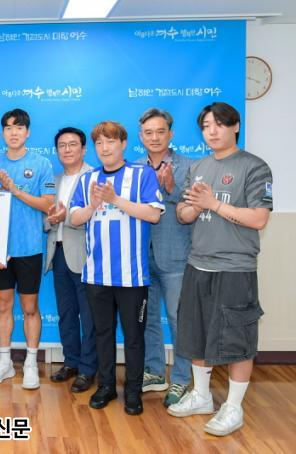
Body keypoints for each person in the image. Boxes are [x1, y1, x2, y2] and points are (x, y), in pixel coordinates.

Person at [168, 102, 273, 437]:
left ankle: (234, 407)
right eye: (206, 126)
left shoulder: (254, 167)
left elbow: (259, 219)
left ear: (235, 126)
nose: (212, 131)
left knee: (237, 339)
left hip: (235, 268)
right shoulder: (198, 167)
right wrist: (193, 208)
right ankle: (201, 396)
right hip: (198, 263)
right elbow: (183, 214)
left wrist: (213, 203)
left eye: (219, 124)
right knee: (195, 333)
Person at [69, 121, 164, 415]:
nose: (104, 148)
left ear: (123, 144)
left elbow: (153, 214)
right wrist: (94, 205)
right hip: (96, 274)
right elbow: (75, 218)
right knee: (102, 334)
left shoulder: (142, 174)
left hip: (132, 276)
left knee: (134, 338)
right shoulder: (87, 179)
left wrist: (115, 200)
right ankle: (106, 386)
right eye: (99, 143)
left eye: (110, 141)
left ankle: (133, 391)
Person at [0, 108, 55, 390]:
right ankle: (4, 362)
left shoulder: (41, 164)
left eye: (19, 127)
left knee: (29, 308)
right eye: (9, 127)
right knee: (2, 305)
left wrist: (15, 190)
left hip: (29, 248)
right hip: (0, 251)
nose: (14, 132)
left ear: (28, 132)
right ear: (3, 132)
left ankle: (30, 363)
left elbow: (48, 204)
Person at [136, 108, 194, 407]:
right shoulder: (134, 168)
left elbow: (192, 207)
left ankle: (182, 378)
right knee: (147, 319)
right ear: (141, 136)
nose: (155, 137)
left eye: (160, 131)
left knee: (178, 319)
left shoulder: (189, 167)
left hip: (176, 256)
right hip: (141, 257)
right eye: (149, 132)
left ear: (170, 134)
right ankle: (155, 371)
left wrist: (171, 188)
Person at [44, 127, 97, 393]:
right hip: (59, 253)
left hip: (87, 256)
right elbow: (45, 219)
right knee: (66, 313)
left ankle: (88, 369)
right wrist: (52, 220)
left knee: (89, 317)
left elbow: (98, 218)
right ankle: (71, 362)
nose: (67, 149)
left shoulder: (95, 178)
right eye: (62, 145)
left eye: (72, 144)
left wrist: (68, 218)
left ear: (84, 149)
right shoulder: (53, 181)